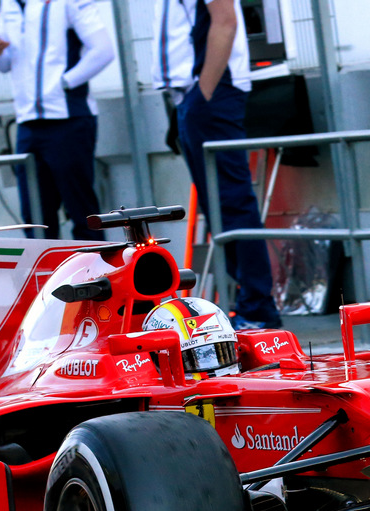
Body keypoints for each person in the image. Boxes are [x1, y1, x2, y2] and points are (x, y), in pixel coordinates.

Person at [154, 0, 281, 330]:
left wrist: (204, 90)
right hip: (194, 92)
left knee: (231, 200)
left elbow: (224, 21)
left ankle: (258, 307)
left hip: (211, 89)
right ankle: (249, 303)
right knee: (218, 206)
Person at [0, 0, 113, 241]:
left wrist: (65, 83)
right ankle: (46, 279)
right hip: (27, 121)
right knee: (35, 221)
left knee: (82, 213)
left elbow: (104, 50)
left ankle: (94, 276)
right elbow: (3, 65)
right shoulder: (9, 4)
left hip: (69, 119)